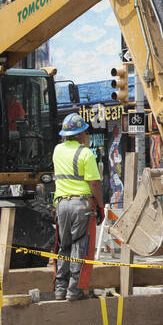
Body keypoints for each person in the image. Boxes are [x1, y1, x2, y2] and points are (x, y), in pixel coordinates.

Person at [51, 113, 102, 301]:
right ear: (80, 134)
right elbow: (94, 184)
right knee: (80, 248)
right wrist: (101, 207)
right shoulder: (86, 153)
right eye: (85, 132)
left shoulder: (57, 150)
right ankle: (74, 291)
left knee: (63, 247)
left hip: (62, 205)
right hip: (81, 206)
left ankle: (60, 290)